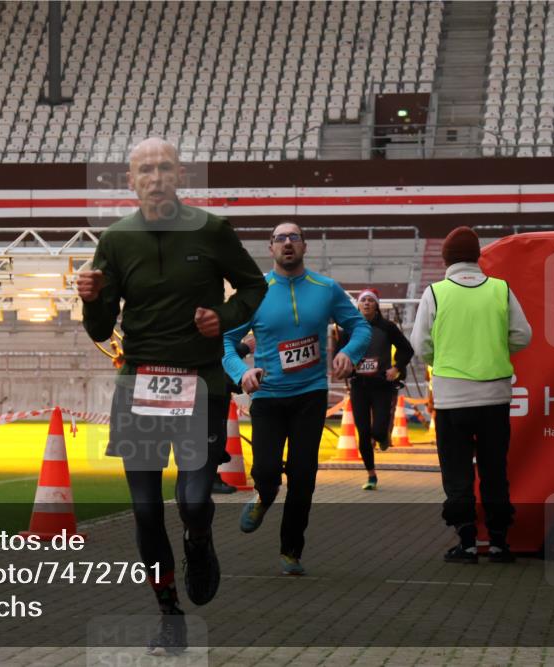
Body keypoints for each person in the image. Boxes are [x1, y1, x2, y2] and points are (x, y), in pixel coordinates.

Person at [78, 138, 267, 655]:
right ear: (130, 180)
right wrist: (89, 301)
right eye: (145, 170)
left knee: (193, 500)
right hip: (138, 382)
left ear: (179, 174)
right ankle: (169, 614)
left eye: (164, 167)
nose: (156, 177)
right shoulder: (115, 240)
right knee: (144, 510)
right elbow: (99, 324)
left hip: (201, 383)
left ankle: (199, 542)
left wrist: (222, 319)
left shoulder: (211, 230)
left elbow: (254, 289)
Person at [222, 222, 370, 575]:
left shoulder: (326, 288)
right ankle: (263, 494)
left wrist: (351, 353)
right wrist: (241, 373)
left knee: (304, 476)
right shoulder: (255, 292)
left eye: (294, 238)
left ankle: (291, 550)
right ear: (270, 247)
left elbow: (361, 326)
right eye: (280, 239)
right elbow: (226, 341)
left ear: (305, 246)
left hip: (310, 396)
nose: (288, 244)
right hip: (269, 397)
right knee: (267, 471)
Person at [410, 226, 531, 564]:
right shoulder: (500, 289)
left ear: (446, 258)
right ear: (477, 256)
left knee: (457, 471)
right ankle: (498, 542)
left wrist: (443, 360)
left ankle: (465, 541)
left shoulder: (435, 292)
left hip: (453, 399)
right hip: (495, 397)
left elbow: (421, 346)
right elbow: (523, 335)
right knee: (494, 469)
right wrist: (494, 347)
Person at [335, 288, 414, 490]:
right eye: (364, 301)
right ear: (358, 305)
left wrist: (396, 368)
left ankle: (382, 437)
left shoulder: (387, 327)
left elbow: (407, 350)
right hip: (359, 386)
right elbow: (338, 355)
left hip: (381, 386)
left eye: (371, 300)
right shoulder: (349, 330)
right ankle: (371, 475)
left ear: (376, 304)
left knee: (377, 430)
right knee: (363, 432)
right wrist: (346, 366)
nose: (367, 304)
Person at [214, 335, 255, 495]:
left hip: (218, 386)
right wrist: (244, 348)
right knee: (212, 435)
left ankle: (209, 478)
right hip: (213, 388)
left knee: (215, 434)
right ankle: (208, 479)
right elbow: (217, 351)